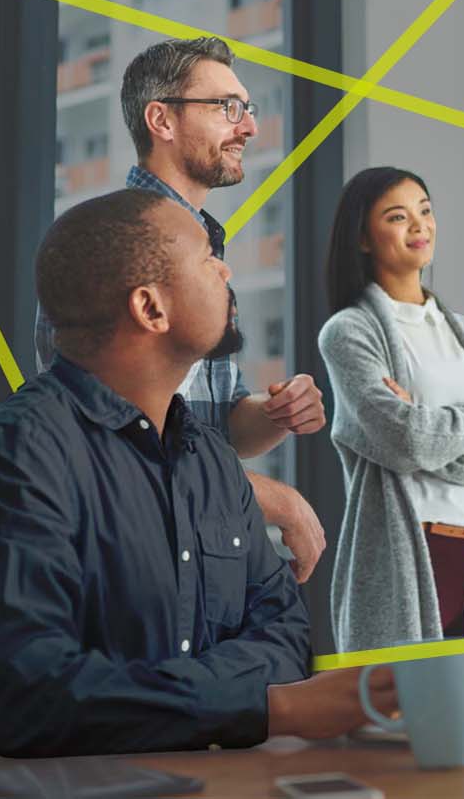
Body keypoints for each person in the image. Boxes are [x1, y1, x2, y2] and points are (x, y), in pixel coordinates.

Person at [0, 188, 392, 764]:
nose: (225, 269)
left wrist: (190, 699)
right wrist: (267, 708)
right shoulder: (15, 455)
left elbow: (288, 637)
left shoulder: (211, 459)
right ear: (151, 309)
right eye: (204, 258)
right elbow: (25, 694)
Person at [37, 35, 330, 583]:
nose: (248, 127)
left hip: (205, 554)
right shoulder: (107, 246)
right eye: (228, 108)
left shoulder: (208, 255)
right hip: (136, 566)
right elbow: (111, 439)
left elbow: (221, 425)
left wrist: (275, 415)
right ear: (162, 121)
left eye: (248, 109)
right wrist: (272, 498)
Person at [317, 167, 464, 652]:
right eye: (398, 216)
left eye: (425, 210)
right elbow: (408, 441)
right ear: (362, 237)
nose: (419, 225)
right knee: (410, 716)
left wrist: (429, 431)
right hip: (417, 552)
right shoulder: (349, 333)